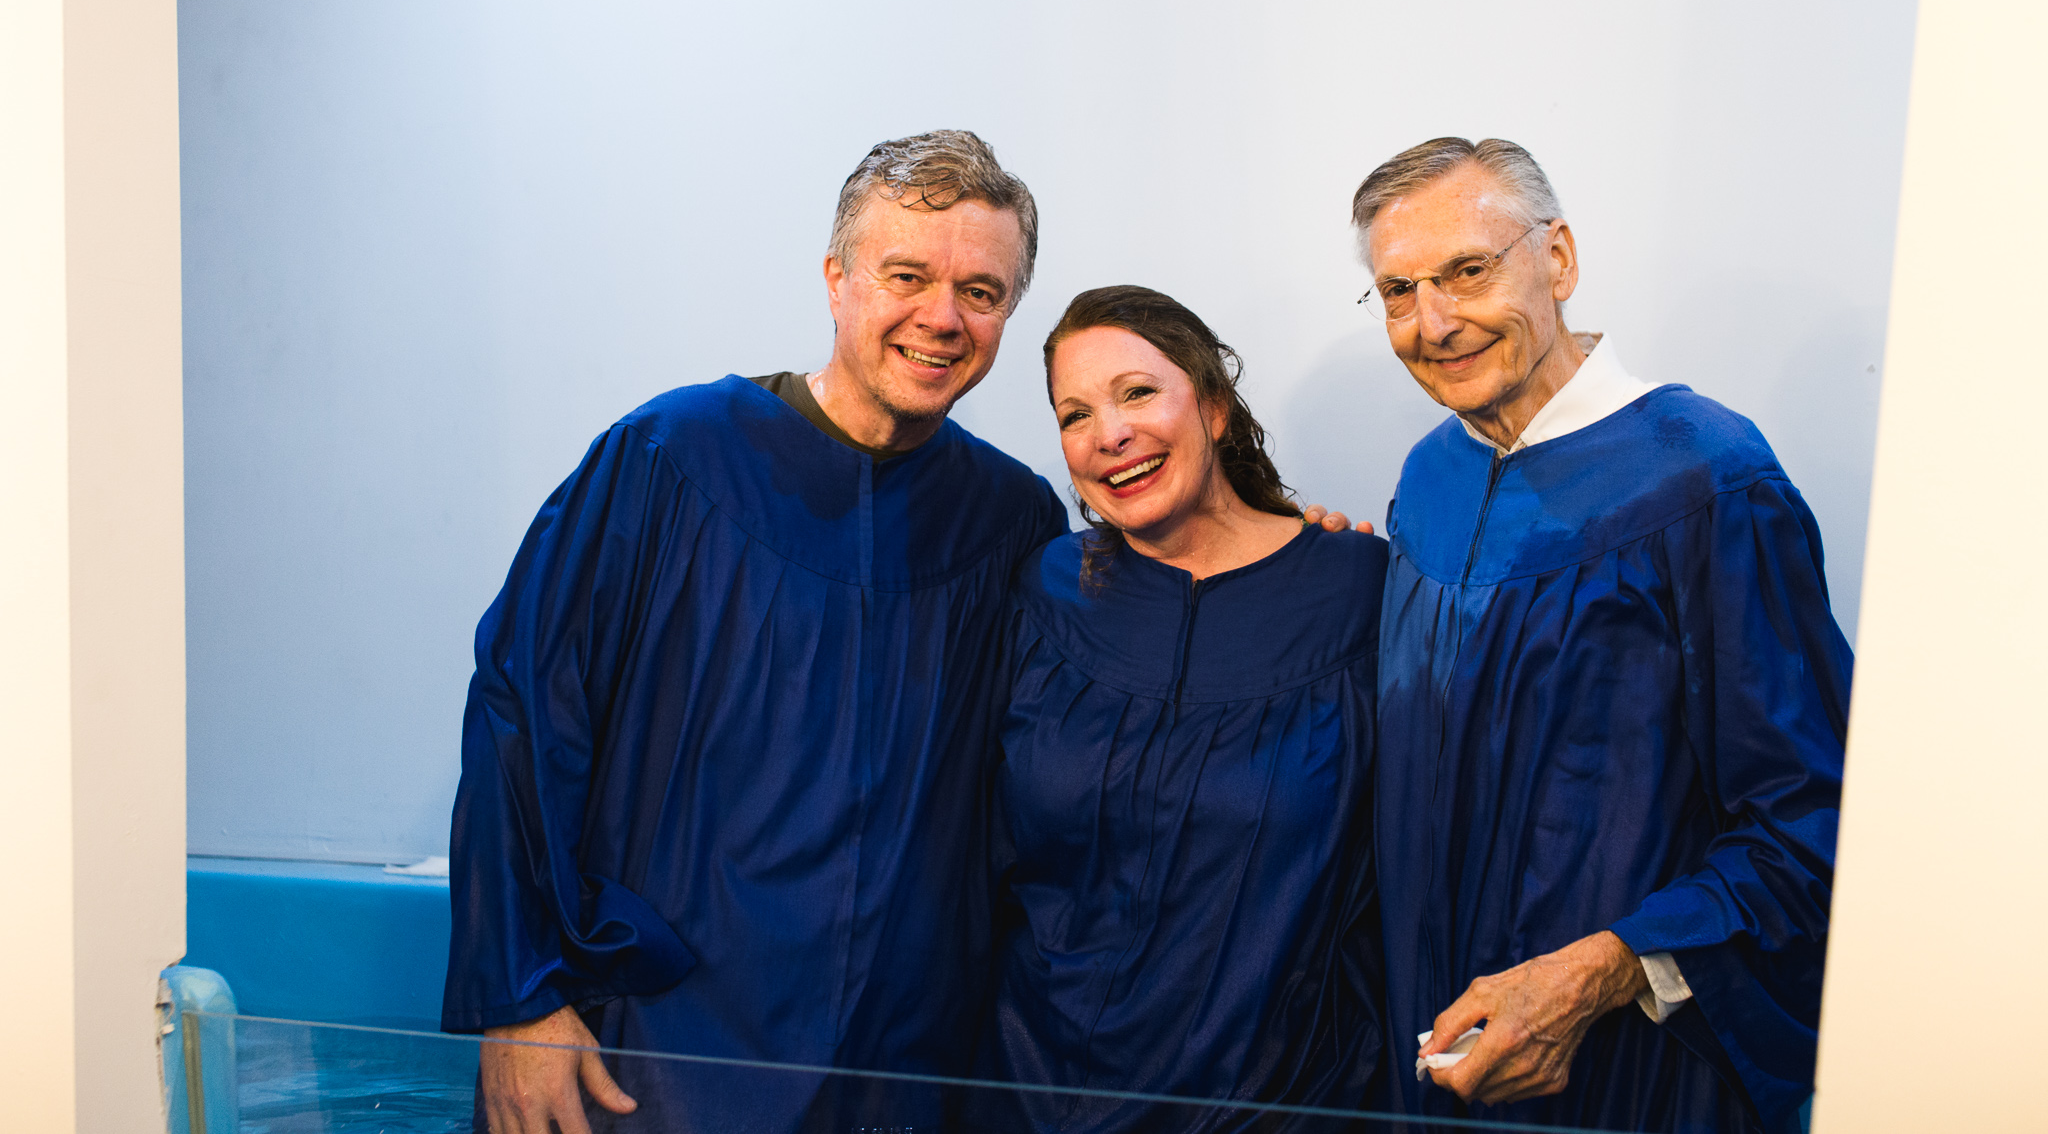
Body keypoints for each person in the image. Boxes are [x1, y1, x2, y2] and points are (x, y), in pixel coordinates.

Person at [444, 132, 1361, 1134]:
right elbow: (522, 715)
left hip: (903, 1070)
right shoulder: (668, 461)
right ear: (836, 280)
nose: (941, 316)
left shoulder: (1008, 525)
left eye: (981, 290)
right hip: (663, 1049)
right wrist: (520, 997)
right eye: (906, 275)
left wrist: (1301, 556)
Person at [1353, 138, 1851, 1134]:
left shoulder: (1701, 477)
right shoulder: (1429, 475)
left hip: (1627, 1077)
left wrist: (1601, 969)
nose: (1433, 322)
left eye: (1467, 271)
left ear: (1559, 259)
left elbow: (1809, 816)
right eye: (1397, 291)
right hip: (1435, 1061)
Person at [970, 286, 1387, 1133]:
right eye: (1074, 413)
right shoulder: (1044, 591)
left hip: (1281, 1101)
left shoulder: (1360, 593)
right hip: (1033, 1092)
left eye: (1136, 392)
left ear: (1215, 407)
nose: (1107, 434)